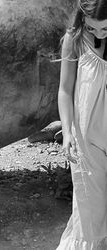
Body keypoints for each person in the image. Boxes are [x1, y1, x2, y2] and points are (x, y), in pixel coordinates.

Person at [57, 0, 107, 249]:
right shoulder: (74, 39)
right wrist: (67, 133)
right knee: (90, 212)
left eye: (105, 29)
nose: (98, 34)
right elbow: (65, 90)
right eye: (92, 29)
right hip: (86, 143)